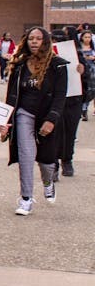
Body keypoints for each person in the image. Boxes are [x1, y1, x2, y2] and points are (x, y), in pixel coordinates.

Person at [0, 27, 68, 216]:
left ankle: (48, 182)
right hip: (24, 114)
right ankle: (26, 198)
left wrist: (52, 119)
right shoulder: (19, 65)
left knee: (46, 160)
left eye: (38, 39)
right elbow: (11, 94)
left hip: (46, 116)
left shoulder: (58, 65)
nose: (34, 42)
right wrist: (7, 119)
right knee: (26, 156)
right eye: (31, 39)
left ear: (46, 41)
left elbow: (61, 95)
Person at [55, 26, 84, 179]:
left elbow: (89, 80)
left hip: (73, 99)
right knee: (54, 133)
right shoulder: (48, 54)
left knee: (70, 132)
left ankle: (67, 161)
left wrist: (83, 70)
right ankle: (53, 163)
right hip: (54, 100)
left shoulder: (77, 54)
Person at [79, 29, 95, 121]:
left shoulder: (93, 48)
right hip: (83, 71)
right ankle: (84, 109)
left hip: (92, 71)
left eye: (89, 37)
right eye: (86, 37)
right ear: (82, 37)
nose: (87, 39)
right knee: (85, 89)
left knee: (92, 90)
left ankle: (86, 108)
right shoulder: (79, 48)